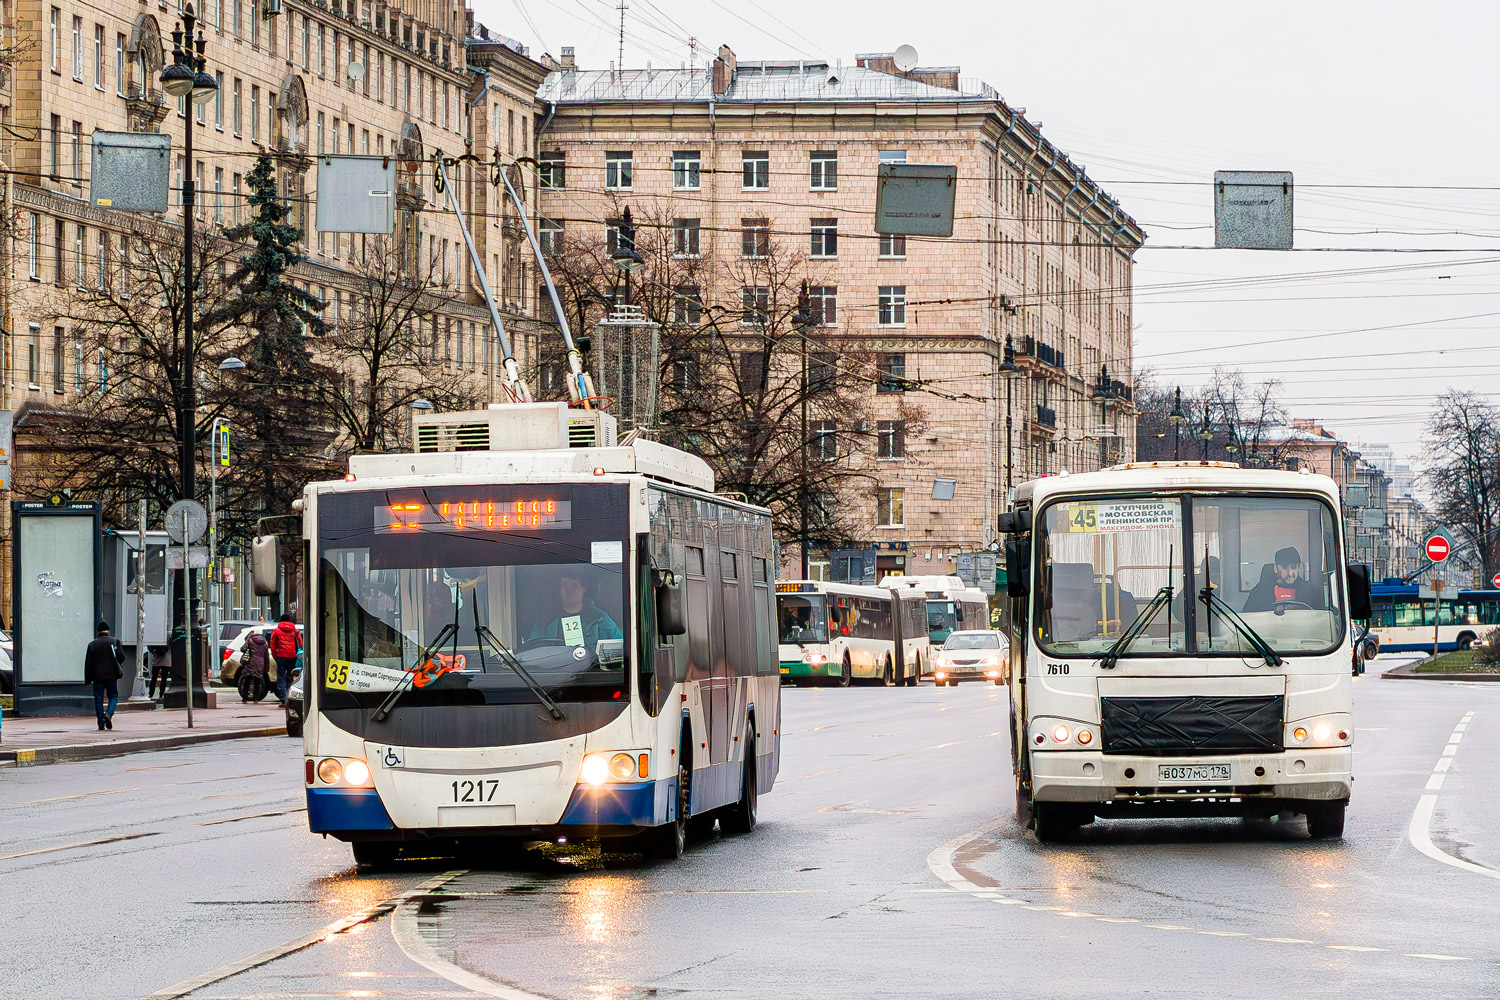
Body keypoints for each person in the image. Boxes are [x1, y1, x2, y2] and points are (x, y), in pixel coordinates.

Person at [528, 571, 622, 648]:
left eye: (574, 585)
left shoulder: (601, 619)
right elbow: (532, 649)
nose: (569, 590)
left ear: (583, 589)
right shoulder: (545, 620)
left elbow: (620, 646)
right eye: (564, 585)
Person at [1244, 546, 1320, 612]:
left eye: (1293, 567)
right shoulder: (1260, 592)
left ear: (1298, 568)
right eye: (1284, 567)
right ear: (1276, 568)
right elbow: (1248, 620)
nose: (1290, 573)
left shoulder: (1309, 591)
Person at [83, 620, 125, 731]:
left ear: (98, 631)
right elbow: (121, 657)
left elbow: (88, 663)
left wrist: (88, 679)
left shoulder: (92, 644)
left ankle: (100, 723)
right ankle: (109, 714)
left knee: (98, 698)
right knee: (113, 696)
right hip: (111, 675)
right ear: (108, 631)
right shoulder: (115, 642)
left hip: (97, 676)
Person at [267, 615, 302, 704]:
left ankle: (283, 697)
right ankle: (289, 696)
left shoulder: (276, 631)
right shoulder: (295, 631)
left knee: (281, 678)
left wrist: (275, 656)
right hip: (292, 656)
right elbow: (300, 644)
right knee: (290, 677)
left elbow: (272, 645)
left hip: (281, 657)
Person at [239, 629, 271, 702]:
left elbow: (243, 649)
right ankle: (256, 698)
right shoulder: (265, 643)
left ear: (254, 633)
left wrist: (248, 650)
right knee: (257, 681)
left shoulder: (250, 640)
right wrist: (266, 667)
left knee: (247, 680)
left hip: (250, 662)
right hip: (260, 663)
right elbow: (266, 656)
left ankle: (244, 698)